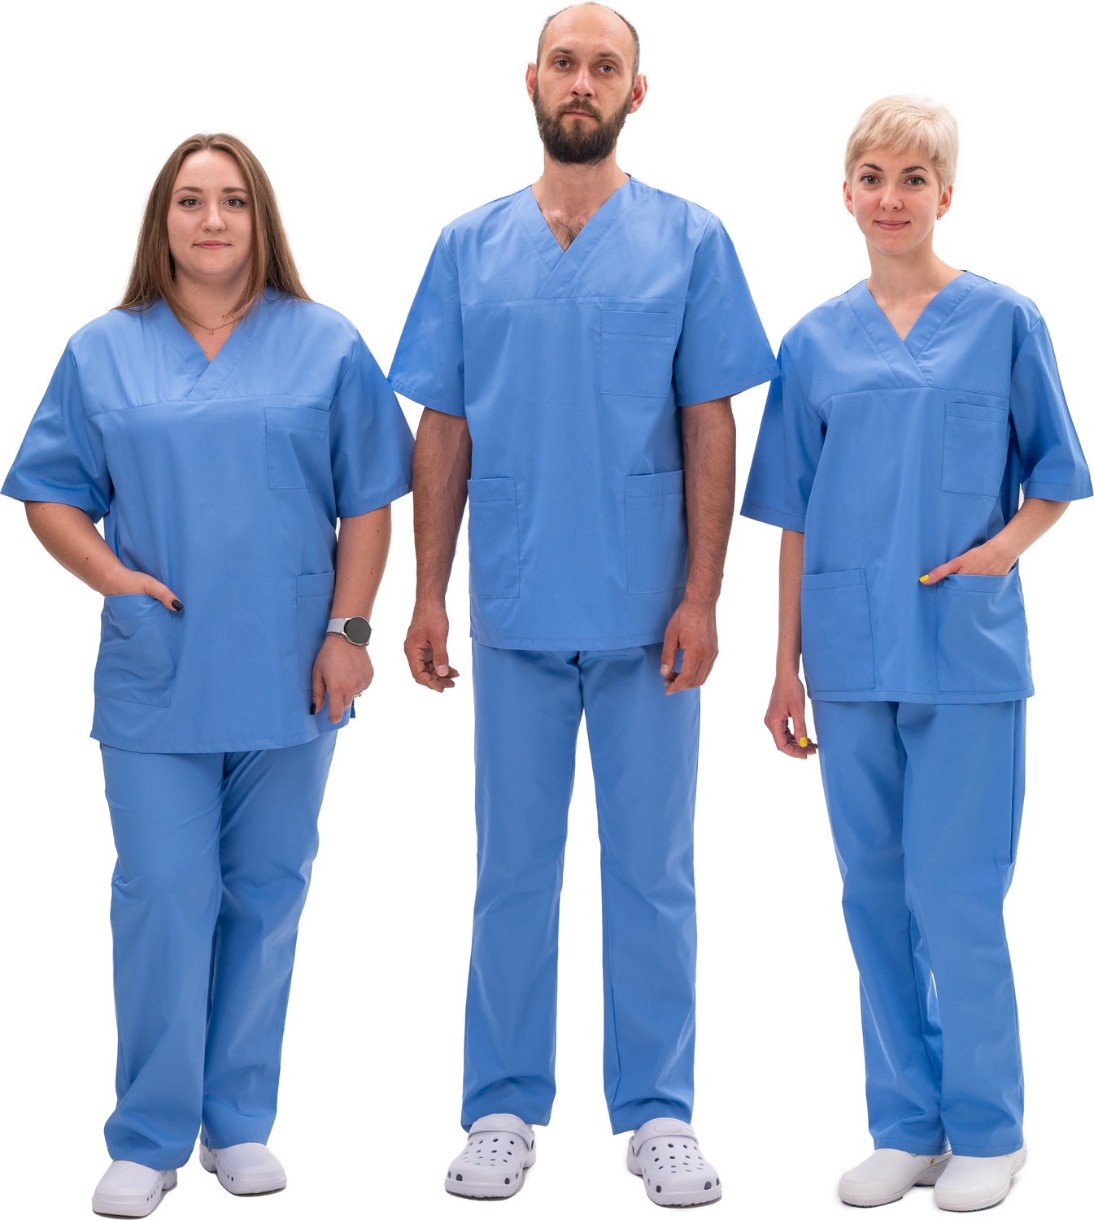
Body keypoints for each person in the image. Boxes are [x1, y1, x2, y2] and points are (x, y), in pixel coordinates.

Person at [390, 3, 776, 1207]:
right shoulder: (468, 246)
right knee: (511, 866)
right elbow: (442, 425)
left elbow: (709, 421)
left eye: (605, 65)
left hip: (647, 613)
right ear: (530, 79)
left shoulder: (689, 240)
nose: (582, 80)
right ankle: (501, 1106)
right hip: (511, 606)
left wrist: (701, 594)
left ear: (634, 93)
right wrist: (425, 594)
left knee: (652, 871)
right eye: (565, 61)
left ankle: (658, 1112)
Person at [2, 133, 412, 1218]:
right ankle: (147, 1136)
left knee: (266, 892)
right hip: (162, 667)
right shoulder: (104, 350)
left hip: (293, 666)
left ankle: (237, 1122)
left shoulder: (326, 342)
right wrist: (115, 580)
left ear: (259, 216)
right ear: (163, 220)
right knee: (163, 893)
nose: (212, 219)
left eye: (232, 199)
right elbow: (49, 491)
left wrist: (350, 628)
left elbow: (368, 500)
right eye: (190, 200)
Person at [742, 96, 1091, 1212]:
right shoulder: (811, 343)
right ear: (844, 192)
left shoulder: (1004, 320)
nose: (890, 197)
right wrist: (784, 664)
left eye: (912, 178)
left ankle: (990, 1128)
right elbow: (794, 515)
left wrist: (998, 551)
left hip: (964, 653)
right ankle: (906, 1126)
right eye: (872, 177)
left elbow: (1056, 472)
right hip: (848, 659)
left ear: (947, 194)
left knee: (957, 896)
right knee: (874, 898)